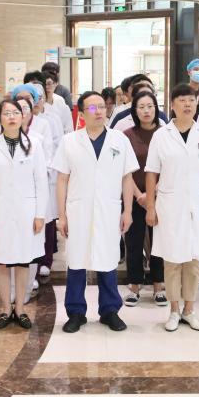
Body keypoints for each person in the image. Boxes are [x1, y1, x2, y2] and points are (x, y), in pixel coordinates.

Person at [54, 91, 136, 333]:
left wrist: (128, 211)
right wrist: (61, 216)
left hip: (109, 209)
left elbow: (127, 178)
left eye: (101, 106)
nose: (99, 111)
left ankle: (109, 310)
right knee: (76, 261)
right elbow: (62, 179)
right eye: (92, 108)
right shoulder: (69, 141)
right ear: (81, 113)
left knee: (107, 259)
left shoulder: (119, 140)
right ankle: (76, 312)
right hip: (78, 209)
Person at [145, 83, 199, 332]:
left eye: (191, 100)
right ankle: (174, 310)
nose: (187, 104)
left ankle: (190, 310)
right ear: (173, 105)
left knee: (194, 259)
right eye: (182, 100)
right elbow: (151, 173)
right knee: (172, 259)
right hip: (169, 204)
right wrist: (150, 207)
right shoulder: (161, 135)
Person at [0, 99, 49, 330]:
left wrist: (40, 214)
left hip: (27, 213)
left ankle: (20, 308)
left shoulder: (35, 144)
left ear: (23, 116)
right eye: (6, 113)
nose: (11, 117)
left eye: (15, 113)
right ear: (0, 118)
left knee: (22, 261)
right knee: (1, 262)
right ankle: (5, 308)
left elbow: (41, 181)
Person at [123, 91, 167, 307]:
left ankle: (159, 285)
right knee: (133, 241)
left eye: (150, 106)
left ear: (156, 108)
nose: (146, 111)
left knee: (159, 241)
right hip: (133, 196)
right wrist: (138, 195)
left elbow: (169, 167)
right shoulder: (126, 136)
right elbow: (124, 169)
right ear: (135, 110)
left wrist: (152, 193)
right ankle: (134, 285)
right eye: (141, 107)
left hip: (160, 195)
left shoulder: (165, 134)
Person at [12, 84, 58, 282]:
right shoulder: (7, 125)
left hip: (38, 184)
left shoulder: (43, 125)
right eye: (19, 101)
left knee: (40, 227)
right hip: (16, 189)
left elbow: (48, 154)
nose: (23, 108)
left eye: (28, 100)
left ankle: (38, 270)